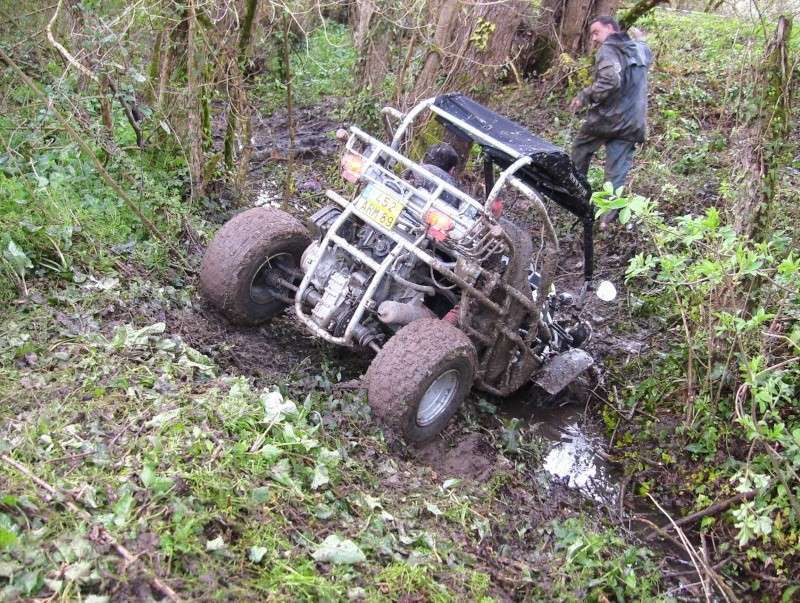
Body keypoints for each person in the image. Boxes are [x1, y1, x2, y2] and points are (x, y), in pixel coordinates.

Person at [568, 16, 652, 228]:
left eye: (596, 32)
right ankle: (606, 219)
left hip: (607, 120)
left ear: (610, 28)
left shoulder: (608, 50)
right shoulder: (641, 50)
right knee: (616, 171)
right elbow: (643, 46)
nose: (594, 39)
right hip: (633, 123)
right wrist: (641, 37)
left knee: (580, 150)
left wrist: (585, 95)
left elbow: (610, 81)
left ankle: (577, 199)